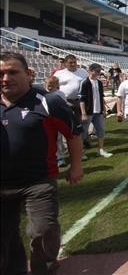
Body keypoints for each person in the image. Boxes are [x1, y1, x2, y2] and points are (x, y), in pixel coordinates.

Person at [0, 52, 84, 275]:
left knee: (42, 230)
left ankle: (44, 265)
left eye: (12, 72)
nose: (5, 78)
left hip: (39, 180)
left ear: (28, 75)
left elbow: (73, 135)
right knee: (4, 234)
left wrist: (76, 166)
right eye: (1, 73)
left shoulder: (49, 102)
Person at [54, 55, 88, 153]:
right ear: (65, 63)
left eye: (74, 62)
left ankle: (80, 148)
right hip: (65, 102)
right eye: (70, 62)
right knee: (65, 126)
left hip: (80, 102)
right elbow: (53, 86)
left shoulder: (83, 72)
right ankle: (65, 148)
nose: (73, 64)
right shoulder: (59, 73)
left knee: (79, 126)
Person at [79, 64, 112, 158]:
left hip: (98, 111)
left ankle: (101, 150)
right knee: (84, 133)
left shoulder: (99, 83)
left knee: (101, 131)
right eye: (96, 71)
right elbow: (82, 99)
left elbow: (101, 97)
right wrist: (83, 113)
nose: (98, 73)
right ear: (90, 70)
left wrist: (104, 110)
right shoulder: (85, 82)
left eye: (99, 71)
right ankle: (81, 152)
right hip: (89, 111)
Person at [44, 76, 68, 168]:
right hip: (46, 119)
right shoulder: (43, 94)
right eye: (48, 85)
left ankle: (60, 157)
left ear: (57, 85)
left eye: (52, 85)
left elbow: (64, 106)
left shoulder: (60, 94)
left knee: (58, 138)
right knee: (49, 139)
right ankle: (51, 157)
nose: (50, 87)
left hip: (58, 119)